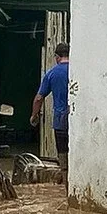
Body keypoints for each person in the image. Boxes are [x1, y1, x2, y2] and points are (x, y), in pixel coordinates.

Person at [31, 42, 70, 189]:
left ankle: (66, 188)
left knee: (63, 156)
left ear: (57, 57)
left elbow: (39, 98)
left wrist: (34, 116)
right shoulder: (77, 71)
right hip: (76, 121)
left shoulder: (52, 73)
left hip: (60, 121)